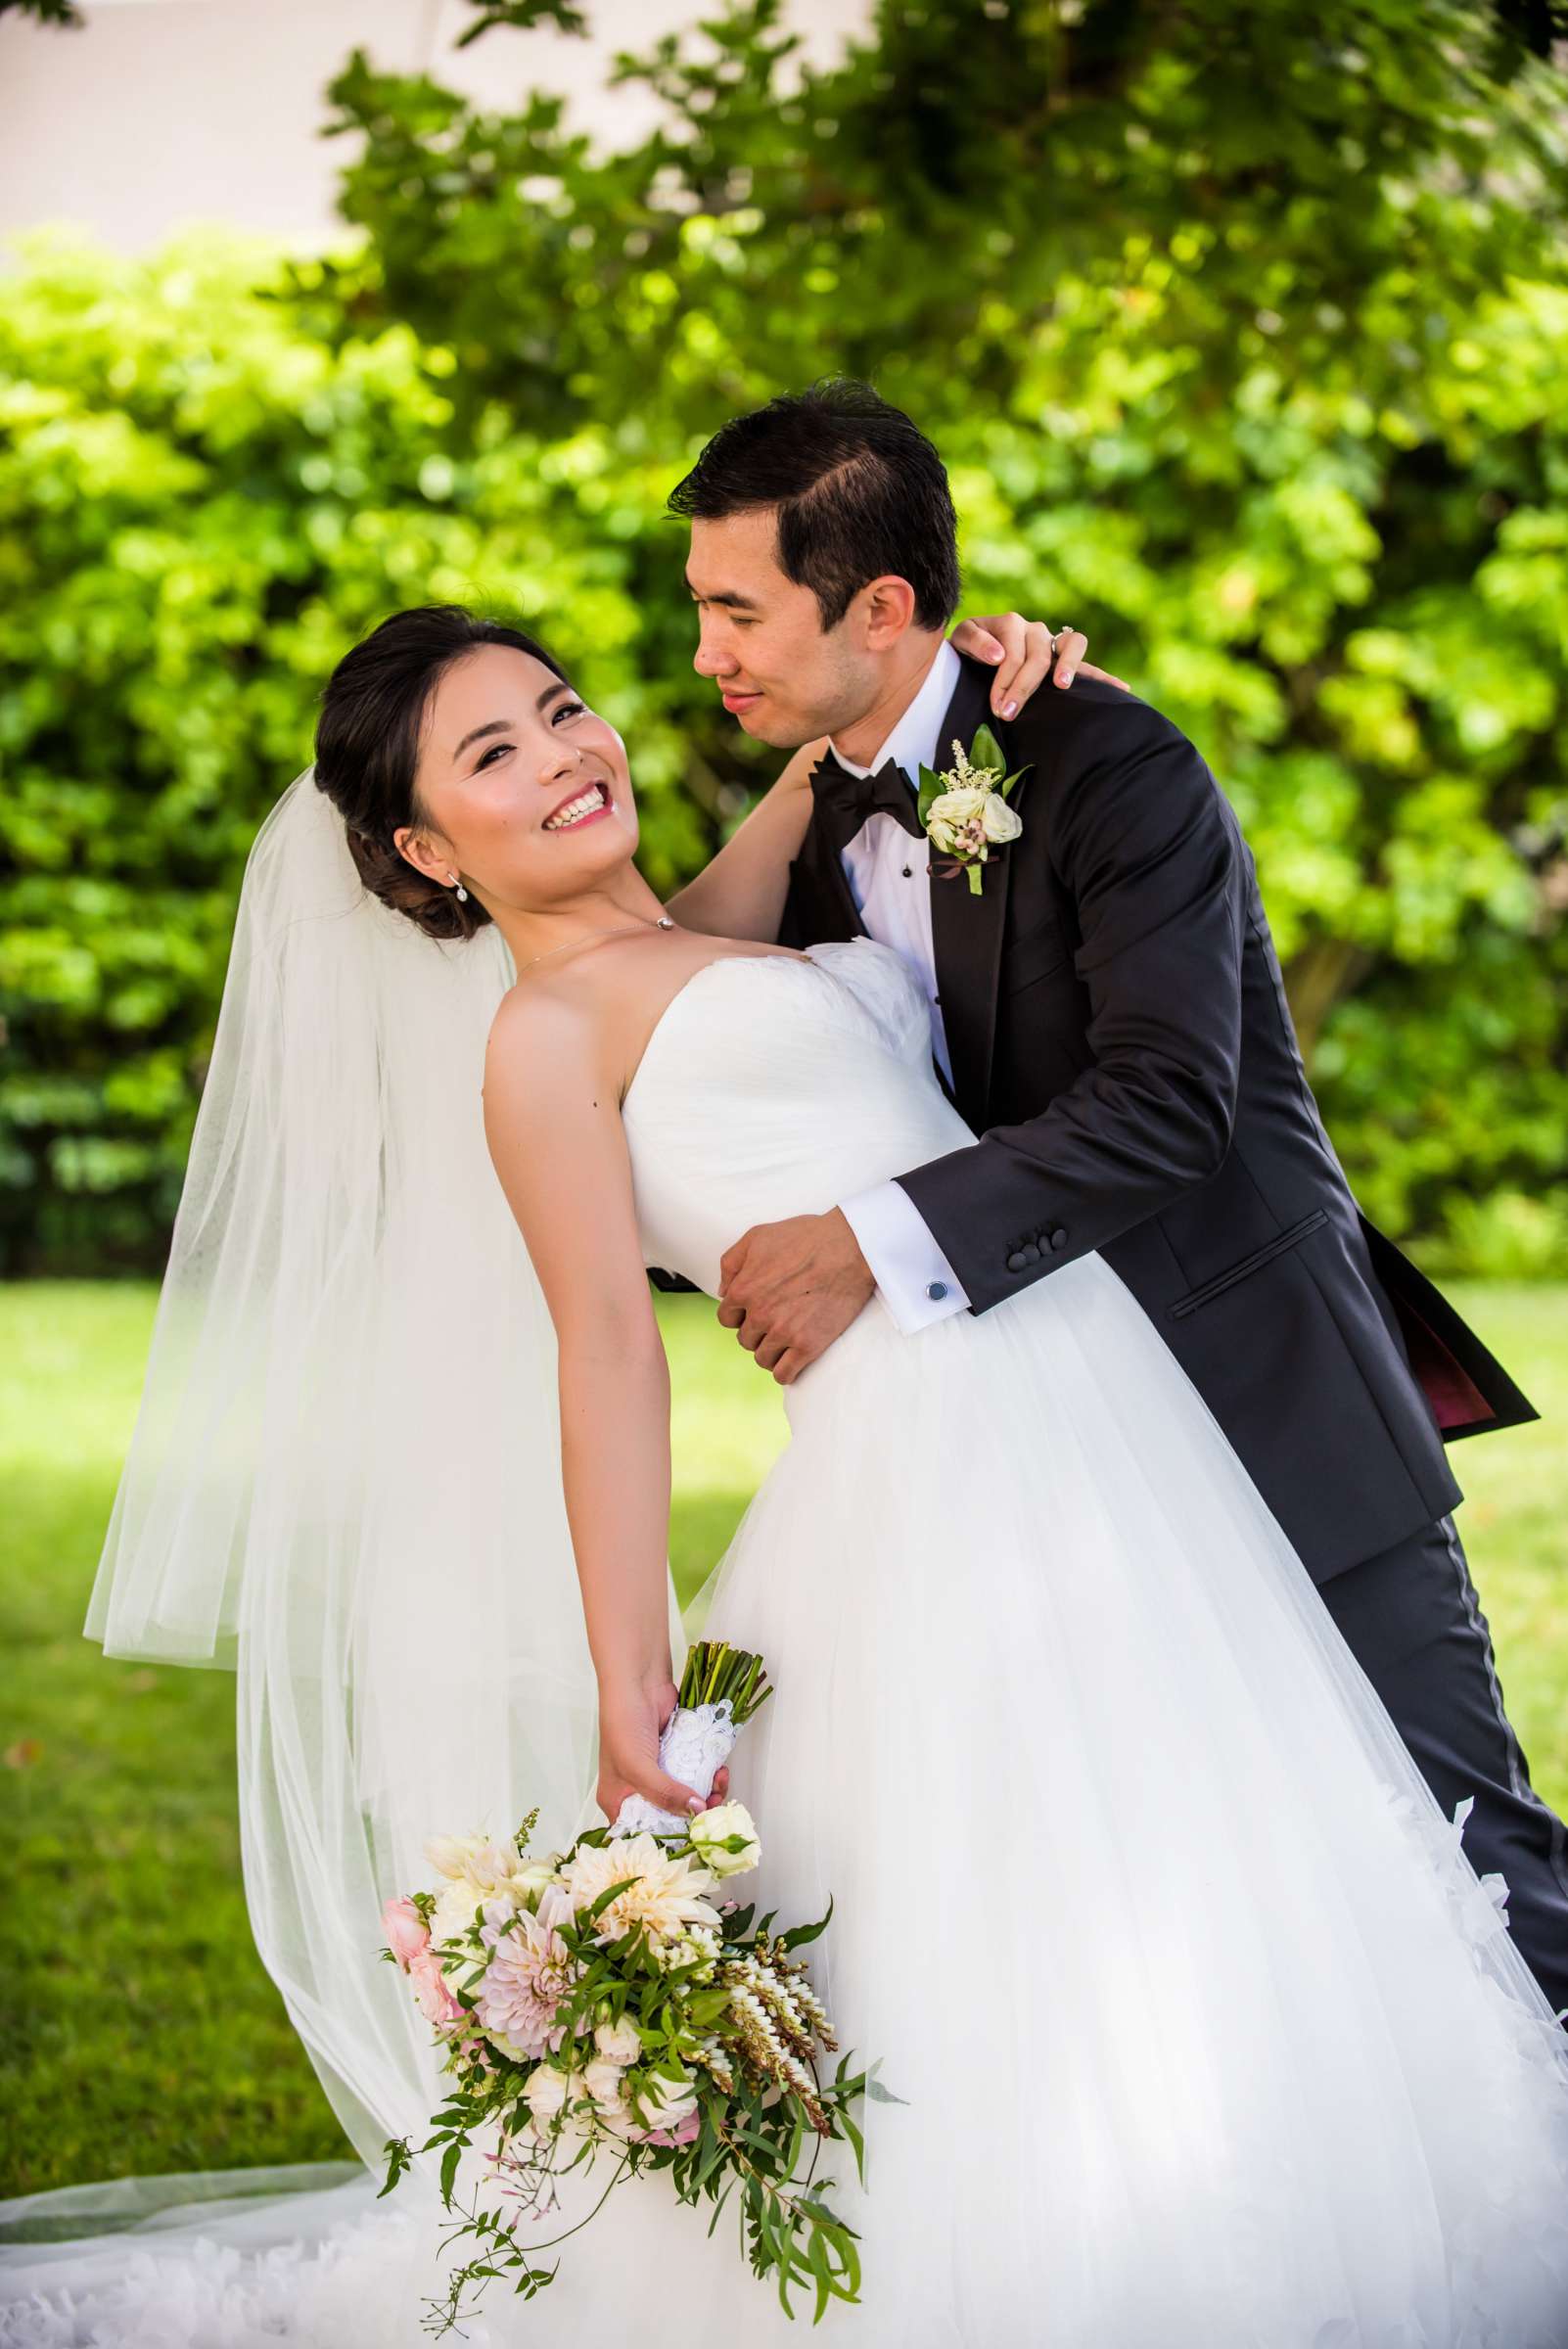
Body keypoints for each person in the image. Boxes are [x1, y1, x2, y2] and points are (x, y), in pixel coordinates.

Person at [10, 595, 1568, 2347]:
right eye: (493, 756)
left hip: (1113, 1431)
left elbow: (861, 753)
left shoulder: (712, 923)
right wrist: (628, 1690)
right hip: (928, 1479)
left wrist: (999, 681)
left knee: (1223, 1844)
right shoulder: (543, 1042)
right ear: (425, 854)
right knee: (1029, 1871)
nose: (567, 752)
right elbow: (600, 1355)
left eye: (563, 705)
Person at [659, 379, 1568, 2030]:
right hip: (1029, 1456)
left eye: (738, 610)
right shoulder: (815, 819)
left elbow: (1169, 1101)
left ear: (880, 606)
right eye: (699, 608)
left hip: (1252, 1384)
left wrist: (863, 1248)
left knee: (1461, 1846)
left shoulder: (1108, 761)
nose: (707, 650)